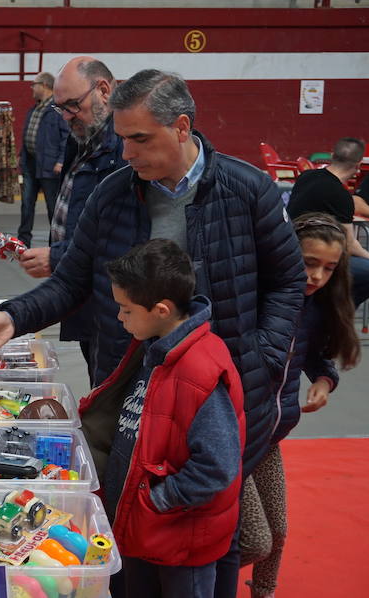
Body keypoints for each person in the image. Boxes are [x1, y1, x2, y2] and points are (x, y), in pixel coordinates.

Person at [0, 69, 305, 598]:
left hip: (220, 396)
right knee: (128, 531)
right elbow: (72, 280)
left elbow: (289, 281)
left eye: (140, 139)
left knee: (210, 539)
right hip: (131, 397)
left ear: (181, 127)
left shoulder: (247, 189)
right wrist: (13, 316)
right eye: (122, 138)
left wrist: (259, 360)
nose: (126, 152)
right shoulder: (112, 195)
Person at [82, 239, 243, 598]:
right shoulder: (156, 347)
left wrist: (158, 501)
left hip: (178, 539)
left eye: (125, 309)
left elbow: (217, 466)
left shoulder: (199, 369)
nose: (119, 318)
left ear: (160, 309)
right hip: (145, 526)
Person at [240, 212, 359, 598]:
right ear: (286, 254)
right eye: (310, 263)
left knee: (278, 533)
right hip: (235, 435)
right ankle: (186, 576)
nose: (318, 277)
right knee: (255, 540)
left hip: (270, 436)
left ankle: (264, 592)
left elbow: (315, 357)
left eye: (329, 268)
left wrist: (324, 381)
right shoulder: (256, 299)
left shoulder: (314, 308)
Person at [18, 57, 126, 386]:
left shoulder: (123, 149)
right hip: (86, 295)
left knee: (112, 396)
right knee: (99, 387)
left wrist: (60, 256)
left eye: (72, 106)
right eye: (60, 108)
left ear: (104, 90)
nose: (66, 117)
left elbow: (121, 238)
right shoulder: (82, 139)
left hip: (116, 306)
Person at [287, 137, 369, 308]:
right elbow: (348, 245)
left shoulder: (306, 176)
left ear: (332, 155)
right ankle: (335, 311)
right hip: (308, 255)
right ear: (358, 166)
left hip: (289, 247)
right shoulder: (341, 196)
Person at [16, 71, 68, 249]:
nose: (32, 87)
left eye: (34, 84)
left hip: (49, 165)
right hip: (31, 164)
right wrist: (22, 158)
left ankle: (57, 243)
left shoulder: (57, 109)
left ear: (45, 85)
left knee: (53, 207)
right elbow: (28, 135)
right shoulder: (35, 109)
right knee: (26, 205)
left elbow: (66, 136)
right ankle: (23, 241)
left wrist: (61, 161)